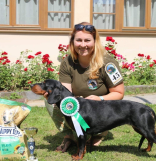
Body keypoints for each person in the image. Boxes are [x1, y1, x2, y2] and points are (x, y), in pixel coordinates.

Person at [44, 22, 124, 152]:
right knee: (52, 99)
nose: (83, 45)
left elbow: (119, 93)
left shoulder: (108, 63)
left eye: (87, 40)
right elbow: (65, 93)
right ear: (72, 42)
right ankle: (70, 135)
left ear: (95, 41)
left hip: (100, 107)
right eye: (78, 40)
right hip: (78, 104)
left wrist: (100, 99)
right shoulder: (67, 62)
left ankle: (99, 132)